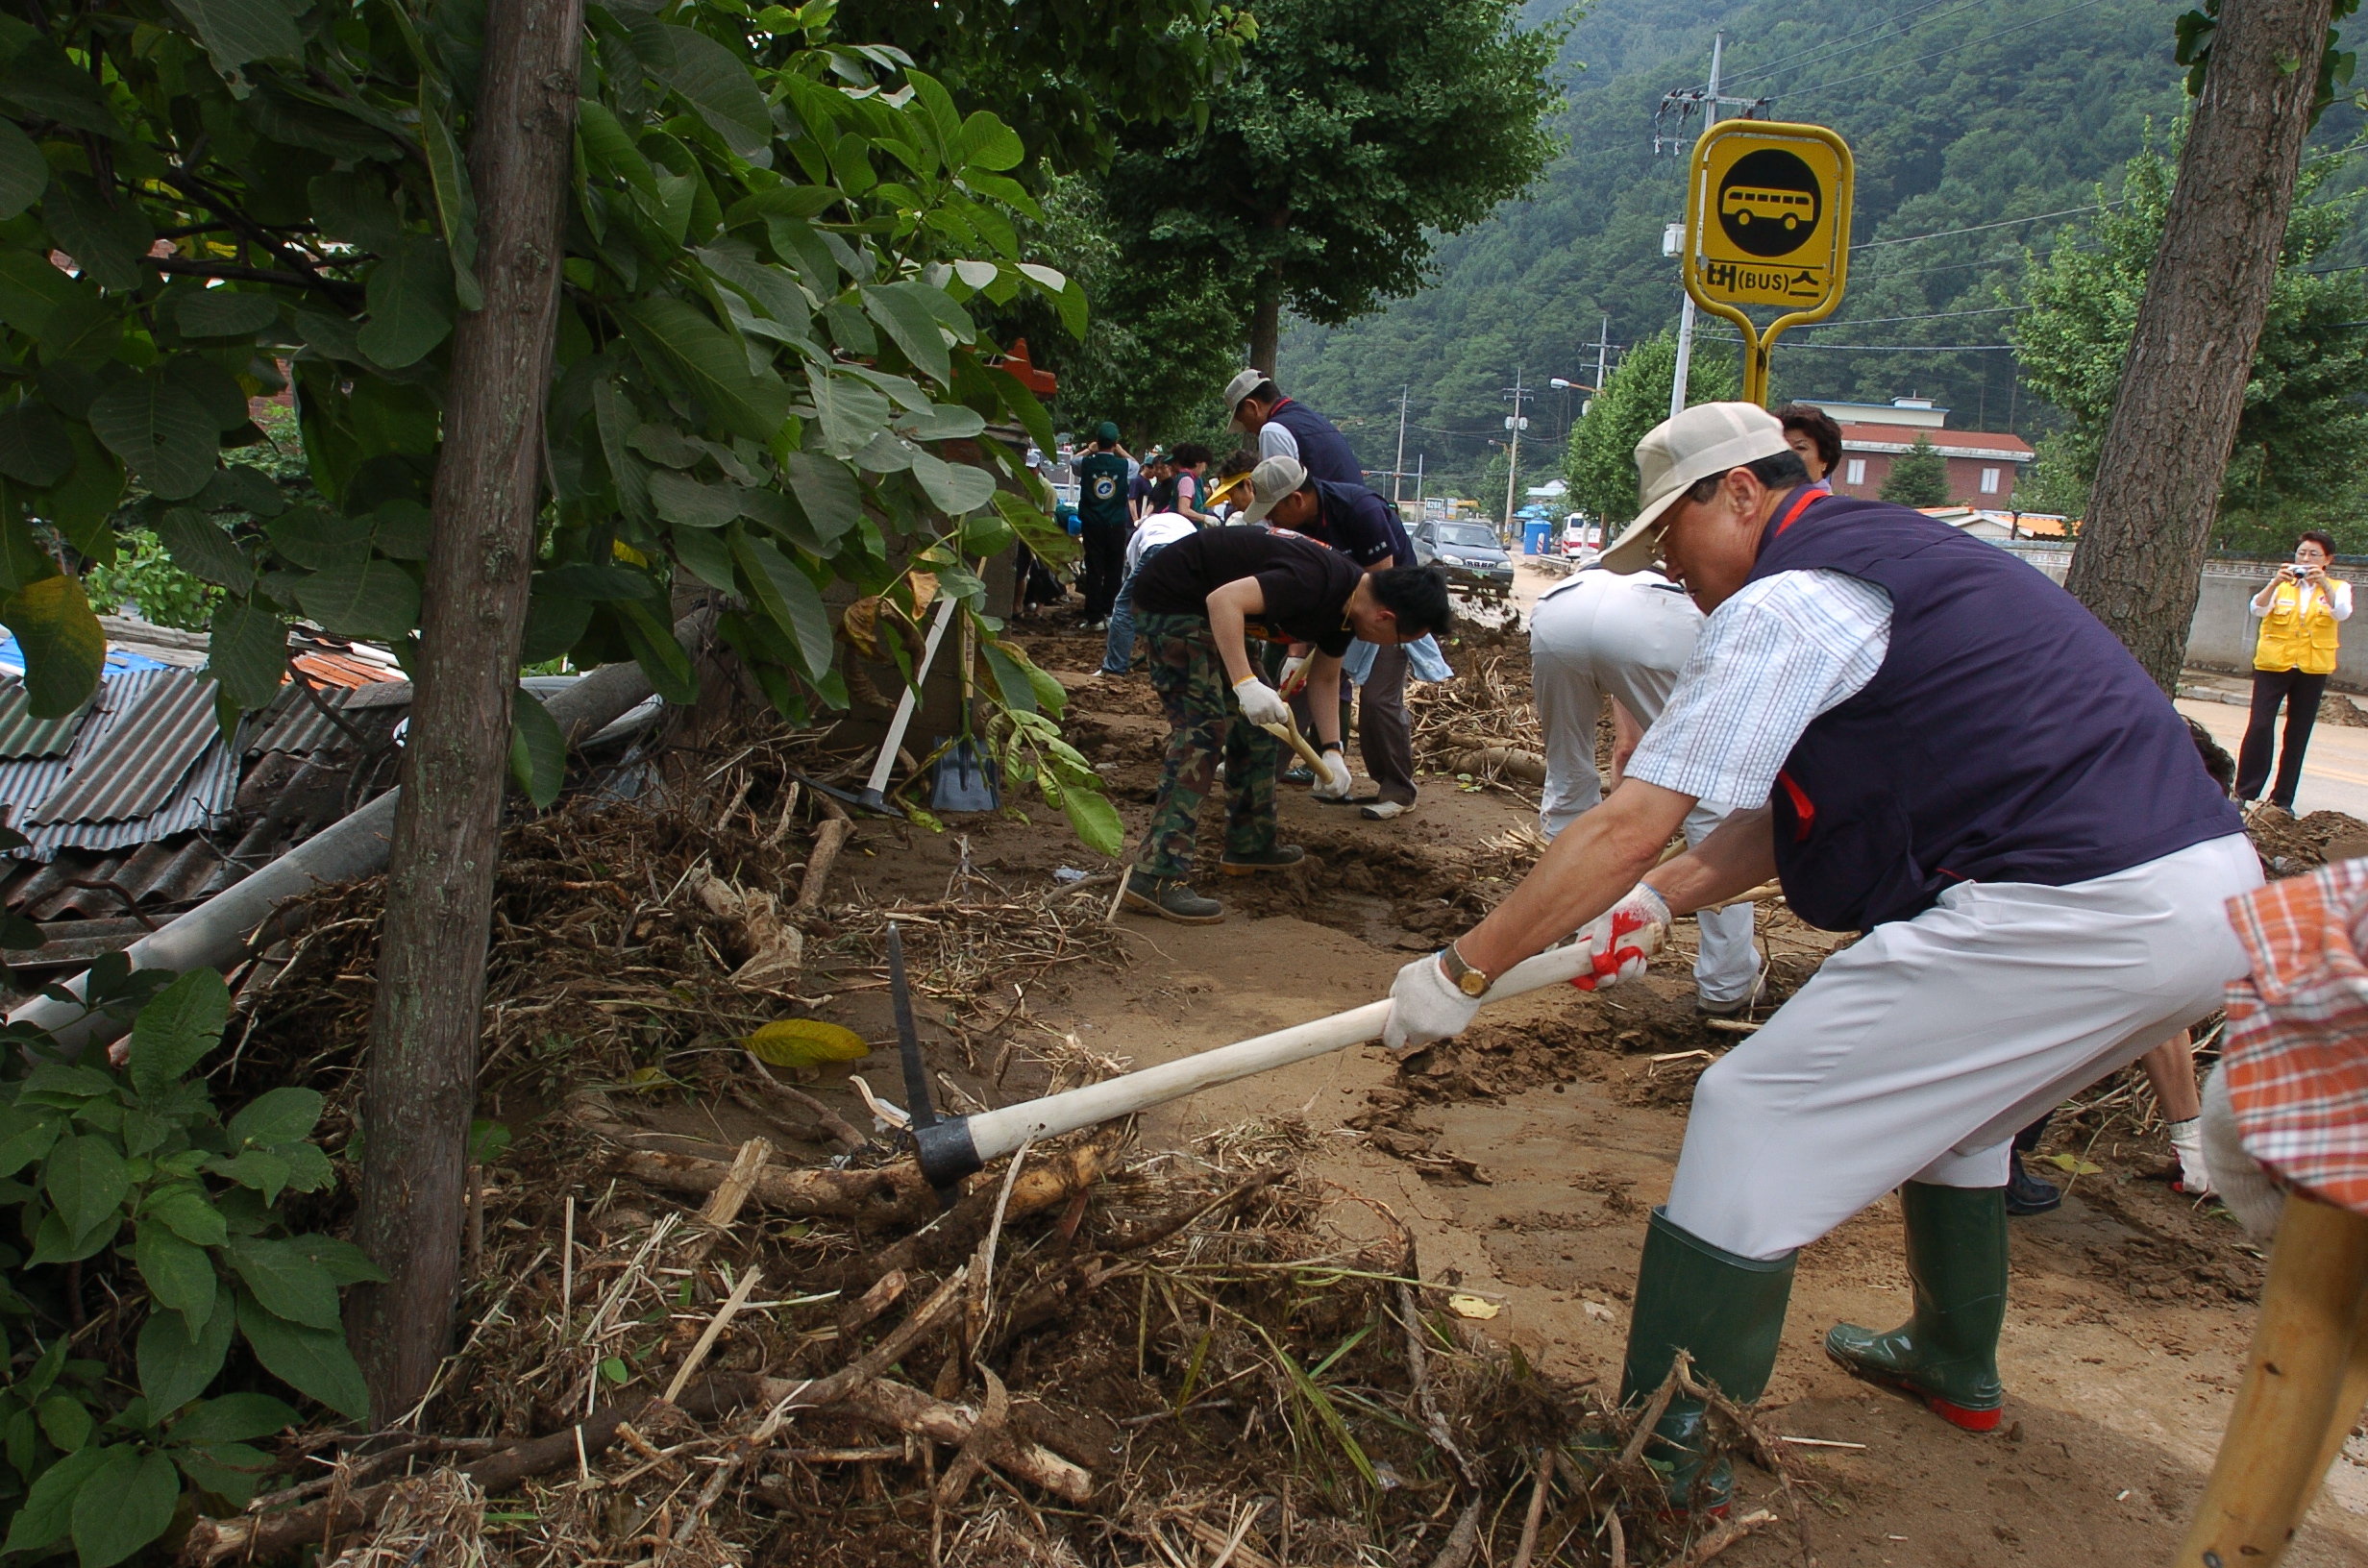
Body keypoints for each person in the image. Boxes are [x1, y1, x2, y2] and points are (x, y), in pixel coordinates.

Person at [1379, 402, 2255, 1508]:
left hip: (2077, 905)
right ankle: (1953, 1362)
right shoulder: (1892, 573)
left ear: (1740, 493)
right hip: (2203, 898)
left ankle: (1665, 1454)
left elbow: (1628, 818)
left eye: (1670, 541)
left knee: (1754, 1107)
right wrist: (1654, 907)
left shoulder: (1791, 599)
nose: (1670, 574)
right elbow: (1781, 823)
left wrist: (1463, 970)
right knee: (1969, 1112)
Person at [1123, 530, 1452, 922]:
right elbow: (1222, 599)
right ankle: (1155, 875)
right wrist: (1245, 684)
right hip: (1174, 602)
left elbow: (1326, 679)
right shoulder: (1316, 582)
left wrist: (1333, 750)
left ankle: (1249, 844)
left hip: (1215, 613)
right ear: (1386, 617)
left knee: (1263, 728)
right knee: (1203, 734)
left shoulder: (1349, 612)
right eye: (1398, 639)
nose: (1387, 646)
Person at [1530, 566, 1763, 1017]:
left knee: (1568, 784)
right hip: (1654, 626)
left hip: (1559, 613)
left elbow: (1629, 746)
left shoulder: (1605, 585)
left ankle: (1570, 941)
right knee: (1710, 803)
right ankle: (1726, 983)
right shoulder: (1686, 602)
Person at [1234, 455, 1424, 819]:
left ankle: (1398, 790)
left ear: (1296, 499)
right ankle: (1261, 775)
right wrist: (1296, 650)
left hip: (1388, 612)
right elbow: (1306, 592)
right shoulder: (1299, 527)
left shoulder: (1360, 510)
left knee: (1379, 699)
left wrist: (1327, 643)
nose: (1271, 521)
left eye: (1273, 510)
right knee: (1299, 685)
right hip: (1337, 608)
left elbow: (1377, 588)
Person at [2237, 529, 2352, 812]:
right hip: (2273, 664)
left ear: (2328, 560)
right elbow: (2258, 609)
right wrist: (2275, 581)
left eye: (2314, 554)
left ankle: (2282, 799)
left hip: (2312, 668)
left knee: (2298, 732)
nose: (2306, 558)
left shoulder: (2338, 587)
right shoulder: (2283, 584)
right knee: (2260, 724)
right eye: (2302, 553)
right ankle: (2244, 791)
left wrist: (2324, 585)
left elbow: (2342, 612)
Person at [1100, 503, 1197, 676]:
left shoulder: (1141, 531)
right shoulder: (1182, 523)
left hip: (1157, 548)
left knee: (1125, 607)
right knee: (1185, 612)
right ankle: (1185, 667)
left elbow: (1133, 567)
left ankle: (1114, 668)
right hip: (1190, 553)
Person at [1222, 370, 1365, 486]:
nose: (1247, 429)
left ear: (1252, 406)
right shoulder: (1310, 418)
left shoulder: (1273, 430)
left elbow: (1280, 498)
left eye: (1243, 421)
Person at [1074, 423, 1133, 632]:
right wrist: (1120, 451)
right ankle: (1110, 613)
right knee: (1114, 569)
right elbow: (1135, 463)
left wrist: (1090, 449)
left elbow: (1074, 460)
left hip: (1092, 524)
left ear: (1097, 441)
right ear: (1116, 443)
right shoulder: (1125, 466)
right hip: (1115, 524)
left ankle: (1094, 618)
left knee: (1093, 570)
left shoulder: (1085, 464)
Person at [1773, 404, 1840, 491]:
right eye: (1782, 447)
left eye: (1800, 448)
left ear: (1824, 460)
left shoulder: (1832, 504)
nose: (1789, 455)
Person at [1169, 443, 1218, 527]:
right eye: (1204, 465)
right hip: (1185, 528)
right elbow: (1183, 509)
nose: (1204, 469)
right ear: (1198, 463)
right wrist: (1204, 518)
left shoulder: (1191, 479)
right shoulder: (1186, 480)